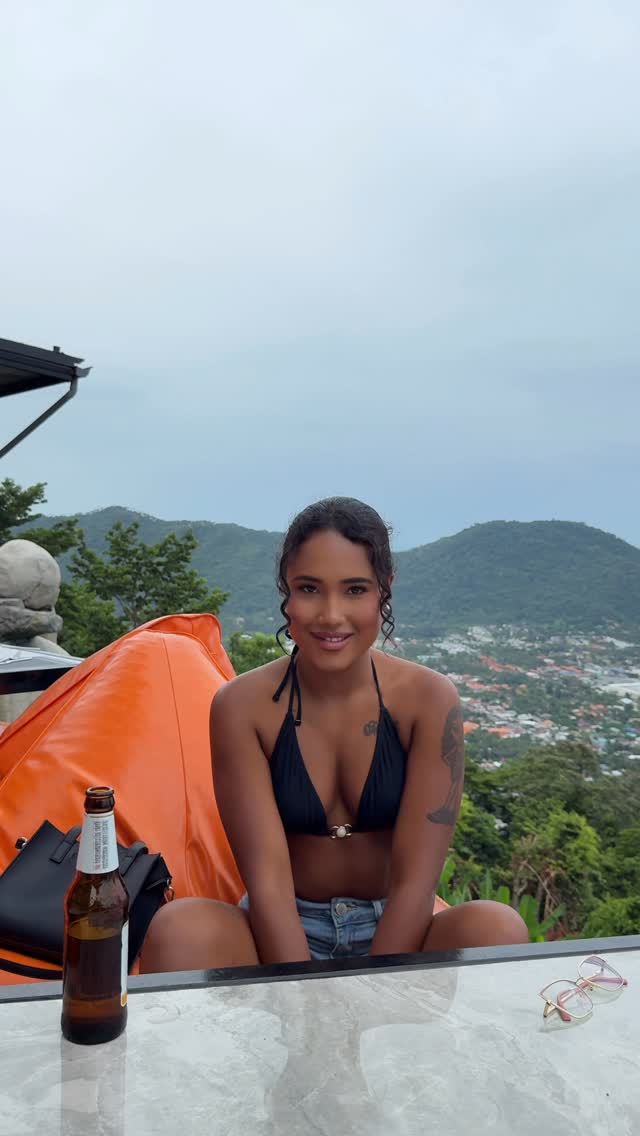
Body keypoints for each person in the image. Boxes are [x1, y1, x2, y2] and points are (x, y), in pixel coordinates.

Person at [139, 497, 527, 972]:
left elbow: (415, 883)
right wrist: (302, 994)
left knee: (497, 928)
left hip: (397, 924)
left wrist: (374, 991)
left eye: (355, 589)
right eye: (309, 588)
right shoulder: (242, 706)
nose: (330, 615)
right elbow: (268, 882)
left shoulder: (427, 699)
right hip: (281, 926)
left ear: (385, 589)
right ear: (285, 589)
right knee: (179, 929)